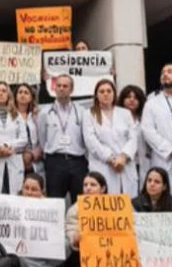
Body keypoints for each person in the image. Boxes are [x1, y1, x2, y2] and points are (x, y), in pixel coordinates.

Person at [37, 74, 88, 203]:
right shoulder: (45, 112)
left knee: (80, 202)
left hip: (77, 161)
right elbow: (42, 138)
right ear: (54, 89)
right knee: (54, 202)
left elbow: (85, 137)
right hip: (55, 161)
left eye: (65, 86)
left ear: (72, 89)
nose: (61, 89)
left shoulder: (82, 112)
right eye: (58, 86)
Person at [82, 79, 138, 196]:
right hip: (103, 165)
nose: (106, 94)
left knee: (128, 200)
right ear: (96, 95)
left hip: (125, 165)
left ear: (114, 93)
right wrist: (110, 159)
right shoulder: (89, 114)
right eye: (102, 91)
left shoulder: (125, 113)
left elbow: (133, 138)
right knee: (105, 200)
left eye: (109, 91)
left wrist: (123, 157)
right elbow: (91, 141)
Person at [17, 173, 75, 267]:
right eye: (26, 188)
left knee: (66, 243)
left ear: (42, 192)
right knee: (22, 257)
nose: (29, 192)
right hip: (27, 251)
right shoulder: (13, 205)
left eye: (34, 189)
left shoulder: (52, 207)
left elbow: (61, 231)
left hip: (48, 249)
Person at [64, 171, 108, 267]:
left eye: (93, 185)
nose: (88, 188)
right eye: (85, 185)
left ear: (102, 189)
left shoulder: (115, 206)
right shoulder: (74, 209)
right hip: (83, 253)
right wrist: (74, 238)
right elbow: (70, 231)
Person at [141, 63, 172, 178]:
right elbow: (147, 130)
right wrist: (169, 149)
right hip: (163, 158)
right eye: (163, 73)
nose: (165, 74)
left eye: (169, 72)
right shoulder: (151, 103)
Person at [118, 84, 149, 191]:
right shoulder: (117, 118)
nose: (132, 100)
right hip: (123, 161)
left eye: (135, 98)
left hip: (142, 161)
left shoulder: (145, 118)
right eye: (128, 97)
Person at [14, 83, 44, 182]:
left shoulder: (37, 115)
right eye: (20, 92)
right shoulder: (10, 116)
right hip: (15, 161)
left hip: (34, 161)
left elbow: (43, 138)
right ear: (15, 96)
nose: (23, 95)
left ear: (31, 97)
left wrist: (32, 155)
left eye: (26, 93)